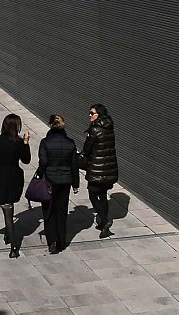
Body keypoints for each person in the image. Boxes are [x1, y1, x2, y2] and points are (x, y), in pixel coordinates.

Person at [0, 113, 31, 258]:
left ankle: (10, 238)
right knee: (9, 208)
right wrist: (26, 143)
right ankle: (13, 245)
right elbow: (26, 160)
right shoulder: (19, 142)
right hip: (14, 177)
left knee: (7, 209)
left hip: (0, 176)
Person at [36, 114, 79, 254]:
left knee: (49, 212)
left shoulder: (45, 142)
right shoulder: (70, 143)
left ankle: (52, 241)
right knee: (61, 211)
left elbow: (43, 162)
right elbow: (74, 165)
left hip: (49, 180)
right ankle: (62, 241)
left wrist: (39, 174)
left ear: (50, 125)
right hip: (65, 181)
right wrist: (75, 183)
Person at [80, 103, 118, 237]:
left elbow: (87, 149)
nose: (89, 115)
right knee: (102, 195)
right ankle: (103, 223)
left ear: (99, 115)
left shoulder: (95, 130)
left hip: (97, 169)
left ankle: (106, 220)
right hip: (108, 169)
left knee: (92, 194)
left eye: (92, 113)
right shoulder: (109, 127)